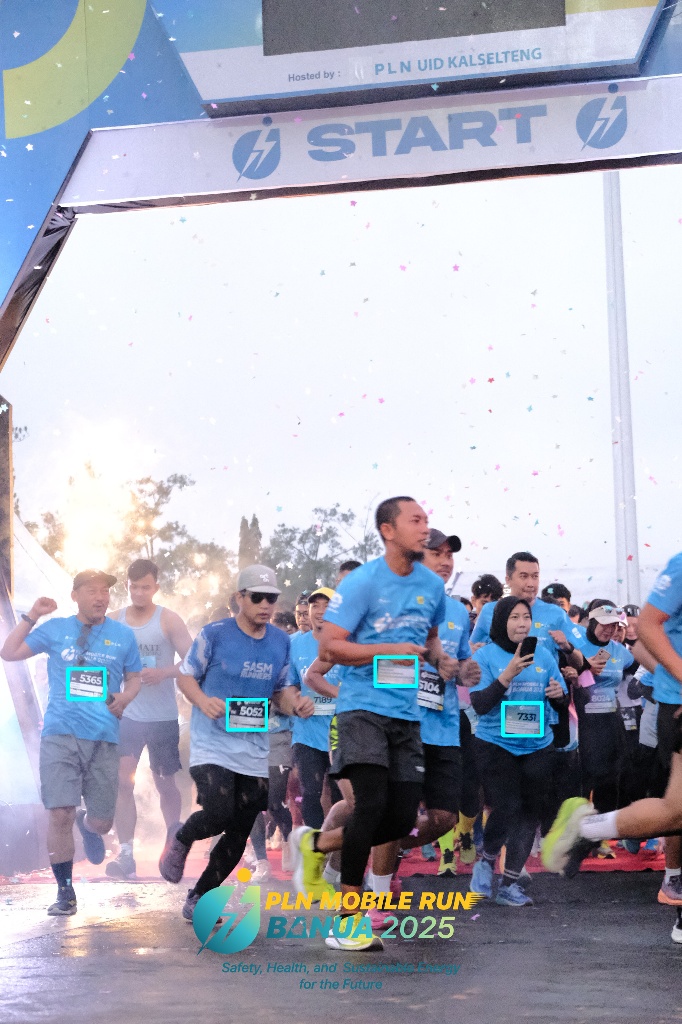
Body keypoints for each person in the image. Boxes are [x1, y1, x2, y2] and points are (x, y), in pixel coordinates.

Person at [288, 496, 455, 952]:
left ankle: (315, 845)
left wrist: (447, 663)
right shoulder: (362, 582)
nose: (425, 528)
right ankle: (348, 921)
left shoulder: (432, 586)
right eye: (415, 520)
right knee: (370, 807)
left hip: (407, 717)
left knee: (400, 819)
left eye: (427, 519)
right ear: (388, 530)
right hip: (361, 710)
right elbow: (328, 649)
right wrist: (388, 650)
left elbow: (431, 641)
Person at [158, 565, 313, 921]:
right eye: (257, 597)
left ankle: (200, 896)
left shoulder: (280, 642)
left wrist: (296, 704)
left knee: (240, 829)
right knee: (218, 812)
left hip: (254, 749)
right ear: (240, 597)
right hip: (211, 744)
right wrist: (202, 700)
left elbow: (280, 691)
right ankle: (181, 838)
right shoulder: (214, 634)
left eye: (271, 598)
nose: (265, 605)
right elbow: (185, 676)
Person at [542, 552, 682, 916]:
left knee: (675, 810)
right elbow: (647, 630)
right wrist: (677, 680)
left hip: (623, 720)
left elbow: (636, 651)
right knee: (673, 809)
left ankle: (590, 828)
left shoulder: (619, 650)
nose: (609, 629)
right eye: (604, 623)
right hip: (596, 722)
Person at [0, 570, 141, 915]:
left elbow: (135, 676)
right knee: (60, 812)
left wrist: (125, 698)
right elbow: (9, 651)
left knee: (103, 823)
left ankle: (88, 825)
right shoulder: (55, 629)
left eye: (105, 591)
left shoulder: (123, 635)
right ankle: (65, 892)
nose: (101, 597)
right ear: (75, 595)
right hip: (60, 733)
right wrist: (32, 616)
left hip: (104, 737)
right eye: (92, 591)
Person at [468, 597, 567, 906]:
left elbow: (562, 701)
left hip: (538, 744)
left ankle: (509, 885)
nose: (522, 623)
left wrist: (558, 695)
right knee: (508, 805)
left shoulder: (544, 655)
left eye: (526, 617)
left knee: (529, 813)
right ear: (500, 621)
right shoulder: (484, 656)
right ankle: (486, 860)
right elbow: (480, 704)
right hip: (496, 743)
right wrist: (507, 674)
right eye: (514, 617)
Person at [397, 529, 481, 876]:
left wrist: (465, 671)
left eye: (450, 555)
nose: (446, 562)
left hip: (444, 727)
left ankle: (380, 845)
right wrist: (420, 663)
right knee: (397, 810)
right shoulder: (396, 603)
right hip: (402, 723)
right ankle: (378, 874)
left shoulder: (457, 611)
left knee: (444, 818)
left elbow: (458, 664)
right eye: (437, 554)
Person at [106, 559, 193, 879]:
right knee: (122, 780)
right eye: (134, 587)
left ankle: (173, 842)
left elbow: (194, 661)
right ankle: (126, 853)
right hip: (126, 714)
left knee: (164, 783)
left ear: (156, 587)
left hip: (162, 717)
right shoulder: (114, 620)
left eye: (145, 587)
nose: (139, 593)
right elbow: (99, 661)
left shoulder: (168, 619)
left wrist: (164, 672)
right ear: (127, 587)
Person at [289, 588, 341, 831]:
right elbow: (288, 685)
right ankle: (317, 844)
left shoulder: (346, 643)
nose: (320, 611)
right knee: (310, 792)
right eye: (314, 606)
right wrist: (296, 703)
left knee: (341, 795)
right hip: (307, 732)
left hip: (340, 730)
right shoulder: (294, 644)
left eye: (326, 606)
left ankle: (339, 846)